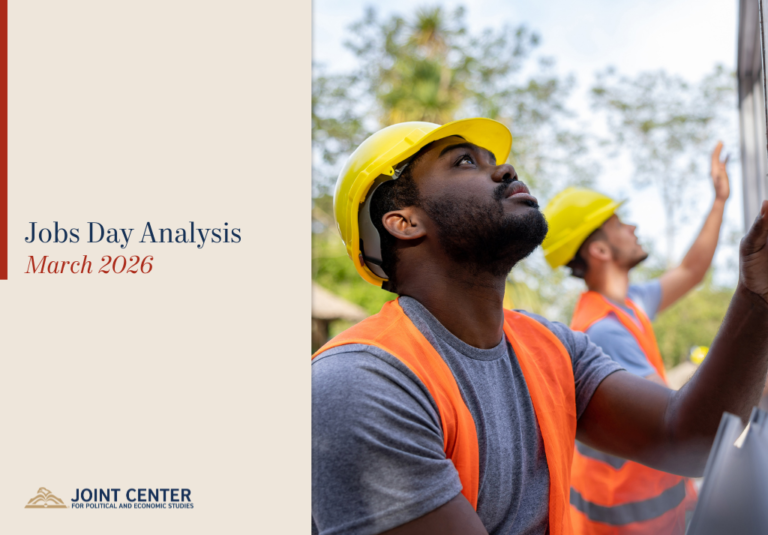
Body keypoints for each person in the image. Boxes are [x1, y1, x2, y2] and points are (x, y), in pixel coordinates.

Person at [312, 118, 768, 535]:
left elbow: (687, 438)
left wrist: (758, 296)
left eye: (495, 160)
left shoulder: (551, 348)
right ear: (405, 222)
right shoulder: (362, 383)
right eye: (465, 162)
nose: (506, 170)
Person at [541, 145, 730, 534]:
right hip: (629, 524)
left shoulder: (629, 304)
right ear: (599, 249)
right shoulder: (604, 330)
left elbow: (692, 270)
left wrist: (719, 201)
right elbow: (682, 418)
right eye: (619, 223)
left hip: (649, 511)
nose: (632, 228)